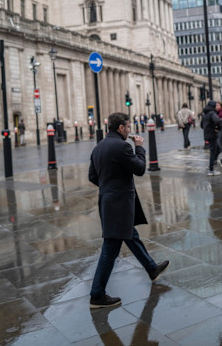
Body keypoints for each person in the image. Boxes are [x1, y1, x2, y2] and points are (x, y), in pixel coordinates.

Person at [88, 112, 169, 308]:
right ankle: (97, 294)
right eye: (128, 126)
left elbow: (92, 176)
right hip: (119, 203)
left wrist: (109, 186)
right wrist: (139, 147)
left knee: (130, 235)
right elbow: (140, 168)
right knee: (110, 248)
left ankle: (151, 268)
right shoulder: (122, 146)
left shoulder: (98, 147)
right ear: (121, 128)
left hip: (108, 201)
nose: (130, 130)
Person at [201, 100, 222, 176]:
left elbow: (201, 125)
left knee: (218, 149)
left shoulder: (205, 114)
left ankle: (213, 163)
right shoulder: (212, 113)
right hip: (212, 134)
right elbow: (217, 120)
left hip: (207, 134)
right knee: (213, 151)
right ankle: (211, 169)